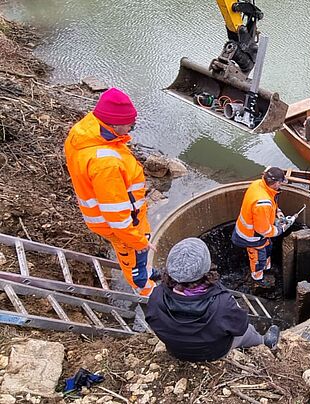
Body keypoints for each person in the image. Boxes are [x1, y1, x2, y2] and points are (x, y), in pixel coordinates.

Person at [64, 87, 155, 296]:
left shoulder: (87, 132)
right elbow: (118, 218)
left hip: (116, 215)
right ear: (115, 124)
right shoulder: (106, 164)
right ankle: (145, 290)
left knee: (137, 254)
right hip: (121, 224)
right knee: (133, 257)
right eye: (129, 124)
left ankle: (146, 272)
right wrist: (139, 241)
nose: (132, 127)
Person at [145, 238, 280, 362]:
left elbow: (153, 321)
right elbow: (240, 326)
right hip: (213, 352)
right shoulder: (221, 304)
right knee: (248, 331)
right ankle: (264, 342)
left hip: (177, 351)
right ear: (206, 268)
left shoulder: (157, 296)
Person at [231, 167, 290, 281]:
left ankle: (267, 268)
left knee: (268, 248)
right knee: (258, 259)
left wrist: (278, 212)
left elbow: (271, 201)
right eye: (281, 183)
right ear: (276, 183)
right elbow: (263, 230)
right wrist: (280, 229)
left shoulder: (258, 184)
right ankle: (258, 279)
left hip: (256, 233)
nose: (281, 185)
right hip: (251, 237)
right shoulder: (262, 203)